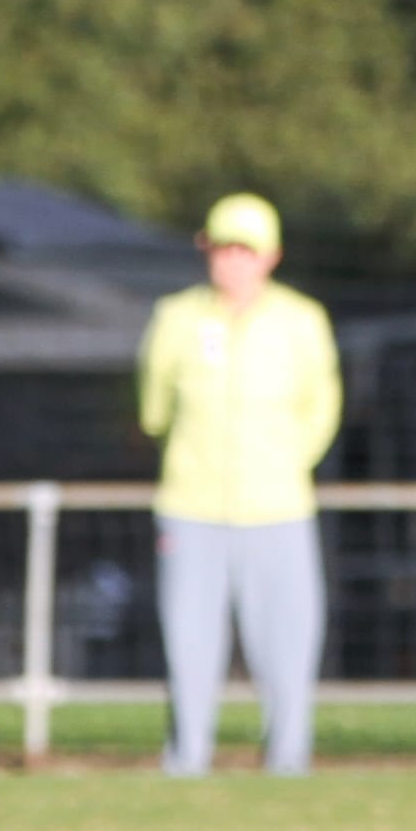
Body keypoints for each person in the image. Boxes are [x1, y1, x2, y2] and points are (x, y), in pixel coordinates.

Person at [139, 191, 342, 777]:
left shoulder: (302, 321)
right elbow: (154, 409)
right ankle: (185, 767)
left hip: (279, 510)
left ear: (271, 255)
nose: (234, 262)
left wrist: (283, 464)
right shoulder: (174, 318)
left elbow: (321, 408)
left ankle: (288, 771)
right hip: (190, 508)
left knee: (287, 655)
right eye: (223, 248)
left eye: (246, 250)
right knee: (189, 653)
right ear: (205, 249)